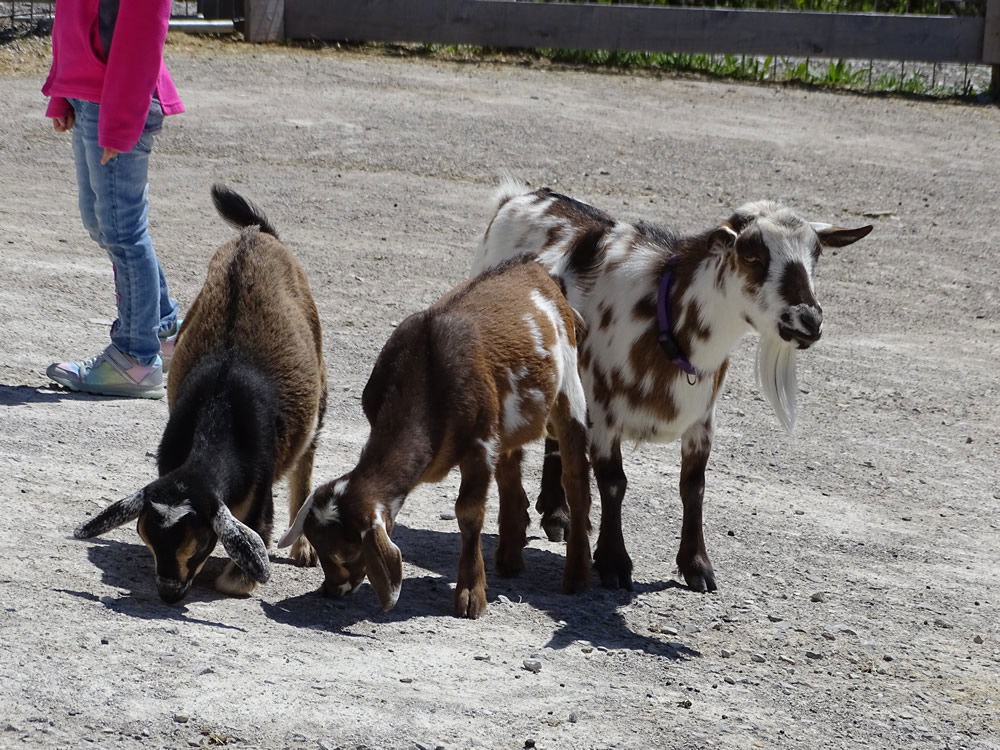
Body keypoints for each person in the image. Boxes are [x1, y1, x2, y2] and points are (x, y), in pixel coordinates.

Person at [42, 0, 184, 399]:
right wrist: (62, 91)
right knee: (102, 224)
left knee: (123, 231)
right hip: (90, 99)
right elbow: (71, 21)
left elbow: (141, 40)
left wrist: (120, 125)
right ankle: (164, 331)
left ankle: (135, 359)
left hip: (118, 104)